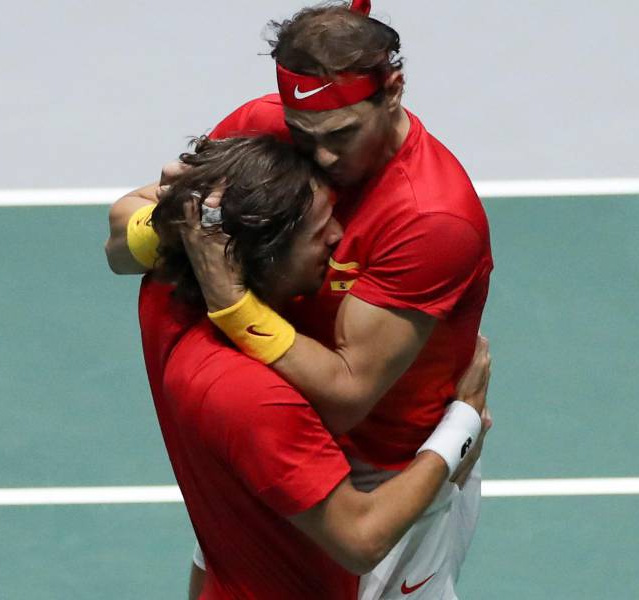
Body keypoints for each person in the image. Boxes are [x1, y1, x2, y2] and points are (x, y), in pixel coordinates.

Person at [105, 3, 494, 597]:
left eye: (342, 134)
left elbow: (346, 397)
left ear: (393, 90)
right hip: (273, 432)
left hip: (383, 477)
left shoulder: (430, 217)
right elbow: (119, 245)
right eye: (305, 134)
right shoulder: (265, 129)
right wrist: (175, 225)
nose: (323, 159)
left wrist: (233, 301)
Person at [141, 134, 491, 599]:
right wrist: (460, 427)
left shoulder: (165, 308)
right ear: (268, 252)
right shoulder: (253, 396)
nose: (339, 237)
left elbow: (210, 550)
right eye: (318, 231)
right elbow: (362, 538)